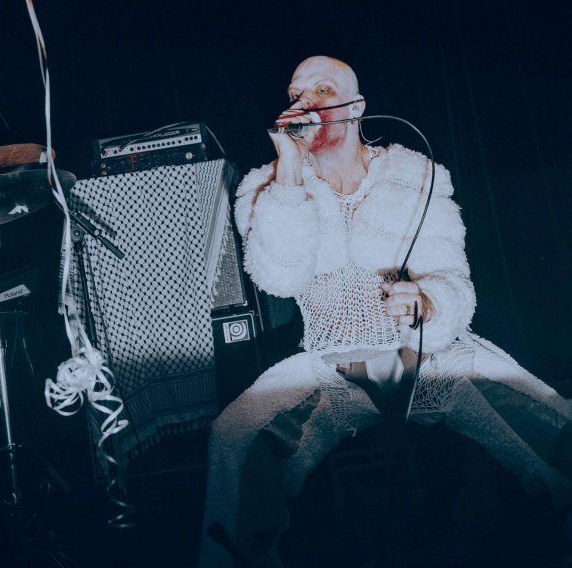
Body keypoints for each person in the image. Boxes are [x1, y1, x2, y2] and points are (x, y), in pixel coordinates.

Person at [197, 56, 572, 567]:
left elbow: (454, 279)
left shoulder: (415, 175)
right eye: (295, 94)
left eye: (322, 90)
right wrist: (288, 171)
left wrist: (428, 302)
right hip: (331, 369)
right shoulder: (267, 186)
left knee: (552, 423)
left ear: (356, 107)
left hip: (434, 358)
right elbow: (278, 278)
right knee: (237, 437)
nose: (304, 102)